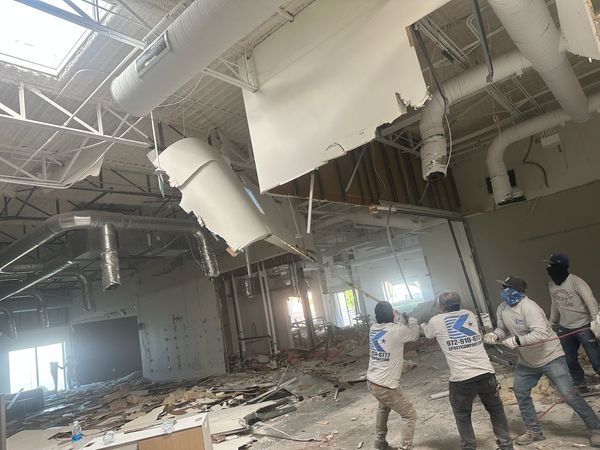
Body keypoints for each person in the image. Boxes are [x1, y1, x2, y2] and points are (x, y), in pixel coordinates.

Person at [484, 276, 600, 447]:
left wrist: (517, 341)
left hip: (550, 357)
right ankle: (534, 431)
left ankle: (596, 428)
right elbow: (502, 328)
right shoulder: (502, 308)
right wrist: (495, 334)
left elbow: (540, 334)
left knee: (569, 395)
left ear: (516, 291)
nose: (502, 291)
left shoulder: (530, 308)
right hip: (527, 361)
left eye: (505, 287)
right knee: (521, 391)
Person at [421, 291, 513, 450]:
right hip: (486, 373)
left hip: (462, 379)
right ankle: (506, 444)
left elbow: (428, 334)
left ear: (441, 306)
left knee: (462, 415)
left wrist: (421, 324)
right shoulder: (469, 314)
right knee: (495, 409)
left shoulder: (436, 321)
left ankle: (469, 447)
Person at [367, 301, 420, 450]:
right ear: (392, 314)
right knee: (409, 414)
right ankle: (404, 447)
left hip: (373, 382)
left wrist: (401, 320)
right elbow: (414, 335)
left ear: (376, 316)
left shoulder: (373, 328)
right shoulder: (396, 331)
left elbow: (398, 329)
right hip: (385, 386)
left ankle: (379, 442)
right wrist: (412, 320)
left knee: (383, 407)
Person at [546, 253, 600, 390]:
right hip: (565, 328)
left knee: (596, 360)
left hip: (584, 326)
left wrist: (596, 322)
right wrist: (551, 322)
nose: (549, 269)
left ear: (562, 268)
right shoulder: (551, 285)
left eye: (552, 266)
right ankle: (580, 385)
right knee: (569, 360)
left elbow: (591, 302)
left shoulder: (576, 282)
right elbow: (555, 304)